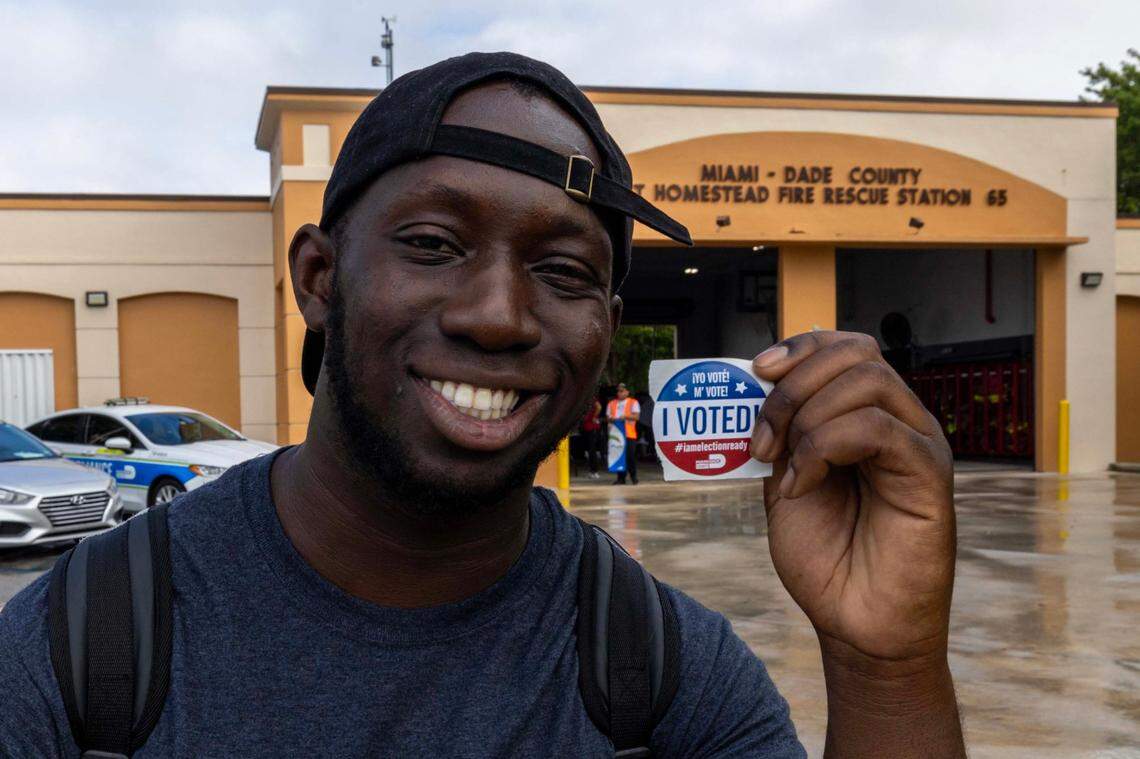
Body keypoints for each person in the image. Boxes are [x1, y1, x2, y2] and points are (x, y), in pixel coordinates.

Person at [0, 52, 964, 757]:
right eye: (432, 243)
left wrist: (887, 662)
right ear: (320, 277)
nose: (500, 315)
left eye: (562, 270)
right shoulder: (84, 649)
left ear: (605, 327)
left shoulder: (663, 670)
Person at [607, 382, 640, 485]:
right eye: (618, 391)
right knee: (619, 455)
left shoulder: (633, 402)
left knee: (630, 456)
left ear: (627, 392)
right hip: (616, 434)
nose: (619, 393)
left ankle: (633, 476)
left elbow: (636, 417)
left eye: (621, 391)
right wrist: (611, 420)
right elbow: (608, 418)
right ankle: (621, 478)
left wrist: (625, 417)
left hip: (629, 434)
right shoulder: (611, 403)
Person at [580, 394, 604, 478]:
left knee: (592, 450)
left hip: (592, 428)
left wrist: (594, 416)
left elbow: (599, 407)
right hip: (587, 427)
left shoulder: (590, 397)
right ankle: (592, 470)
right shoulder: (584, 399)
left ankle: (594, 470)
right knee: (589, 450)